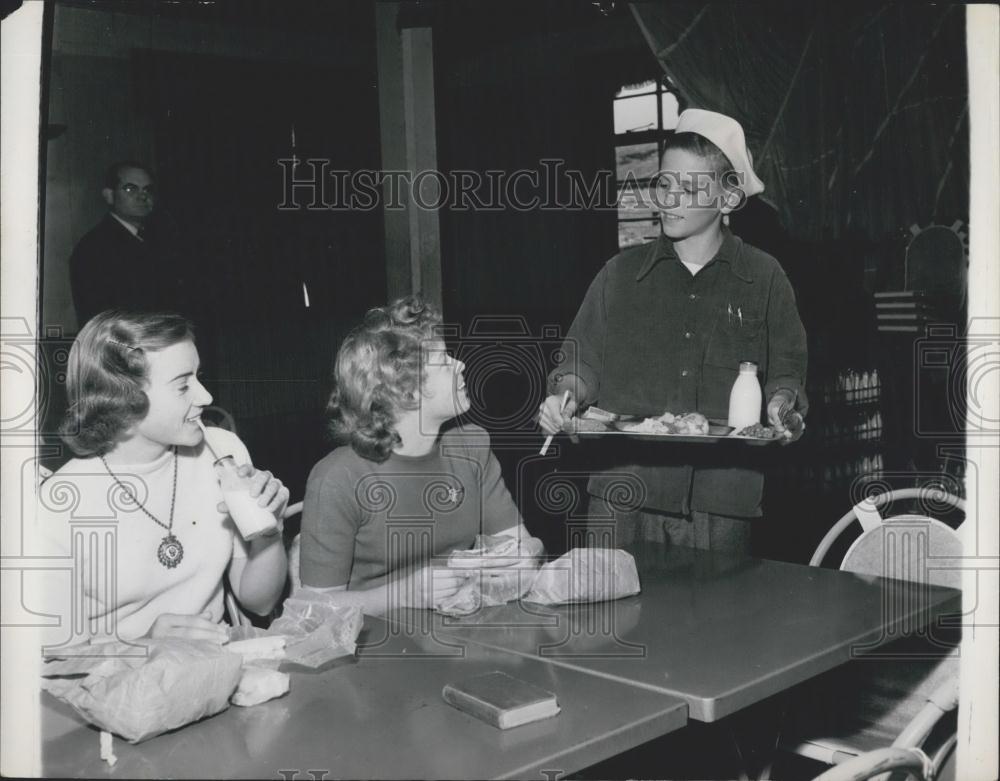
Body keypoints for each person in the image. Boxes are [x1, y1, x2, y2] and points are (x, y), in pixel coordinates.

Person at [539, 109, 807, 556]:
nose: (669, 199)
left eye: (690, 189)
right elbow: (579, 363)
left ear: (727, 199)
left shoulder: (764, 278)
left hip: (721, 499)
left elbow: (787, 371)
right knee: (611, 602)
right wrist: (564, 396)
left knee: (719, 603)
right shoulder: (619, 276)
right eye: (664, 184)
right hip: (621, 492)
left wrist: (782, 407)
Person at [35, 310, 288, 642]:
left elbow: (260, 602)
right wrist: (144, 646)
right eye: (183, 385)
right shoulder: (59, 504)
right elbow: (57, 656)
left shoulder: (222, 452)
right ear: (121, 398)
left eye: (198, 376)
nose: (206, 397)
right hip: (112, 671)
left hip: (215, 660)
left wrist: (269, 533)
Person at [298, 296, 544, 614]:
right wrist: (405, 595)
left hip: (465, 630)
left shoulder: (471, 446)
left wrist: (529, 554)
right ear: (405, 389)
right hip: (376, 639)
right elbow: (314, 608)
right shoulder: (338, 478)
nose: (460, 365)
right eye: (443, 361)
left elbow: (521, 544)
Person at [68, 162, 190, 326]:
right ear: (109, 195)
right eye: (130, 189)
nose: (142, 196)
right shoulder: (94, 247)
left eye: (147, 189)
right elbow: (101, 318)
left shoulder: (159, 239)